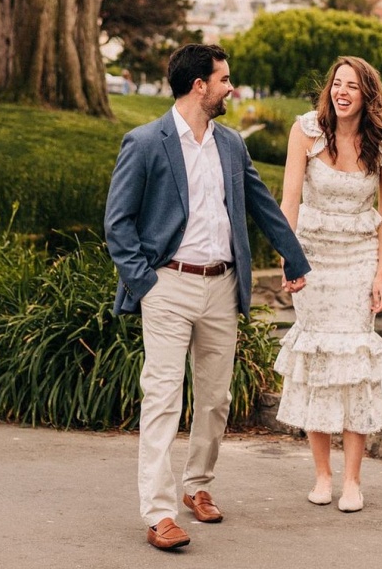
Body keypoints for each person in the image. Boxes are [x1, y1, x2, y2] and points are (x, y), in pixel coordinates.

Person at [104, 43, 311, 551]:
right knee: (162, 398)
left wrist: (295, 258)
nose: (230, 87)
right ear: (200, 85)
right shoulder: (145, 142)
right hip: (167, 286)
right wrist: (146, 284)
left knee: (216, 398)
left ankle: (198, 486)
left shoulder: (231, 145)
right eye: (223, 79)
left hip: (222, 286)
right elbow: (118, 224)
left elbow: (262, 206)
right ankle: (158, 512)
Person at [274, 56, 382, 513]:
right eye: (336, 84)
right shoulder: (305, 131)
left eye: (352, 86)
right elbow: (289, 200)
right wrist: (289, 259)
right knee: (318, 362)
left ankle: (352, 481)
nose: (341, 92)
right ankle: (322, 476)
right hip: (312, 261)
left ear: (368, 95)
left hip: (358, 261)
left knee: (353, 368)